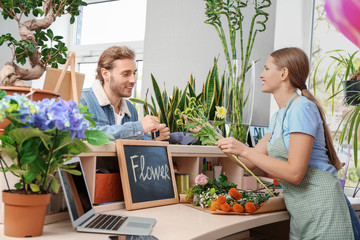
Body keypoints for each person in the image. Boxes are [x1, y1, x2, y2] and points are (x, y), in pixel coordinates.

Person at [216, 47, 359, 239]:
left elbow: (295, 173)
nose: (261, 74)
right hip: (303, 213)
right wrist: (215, 137)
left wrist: (244, 150)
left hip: (323, 209)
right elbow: (250, 165)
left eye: (266, 68)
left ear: (283, 73)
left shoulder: (302, 108)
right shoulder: (278, 117)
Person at [80, 46, 170, 141]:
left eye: (134, 73)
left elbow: (132, 148)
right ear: (105, 73)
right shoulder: (83, 99)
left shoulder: (131, 109)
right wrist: (138, 127)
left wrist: (152, 138)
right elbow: (85, 135)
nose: (133, 80)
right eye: (126, 74)